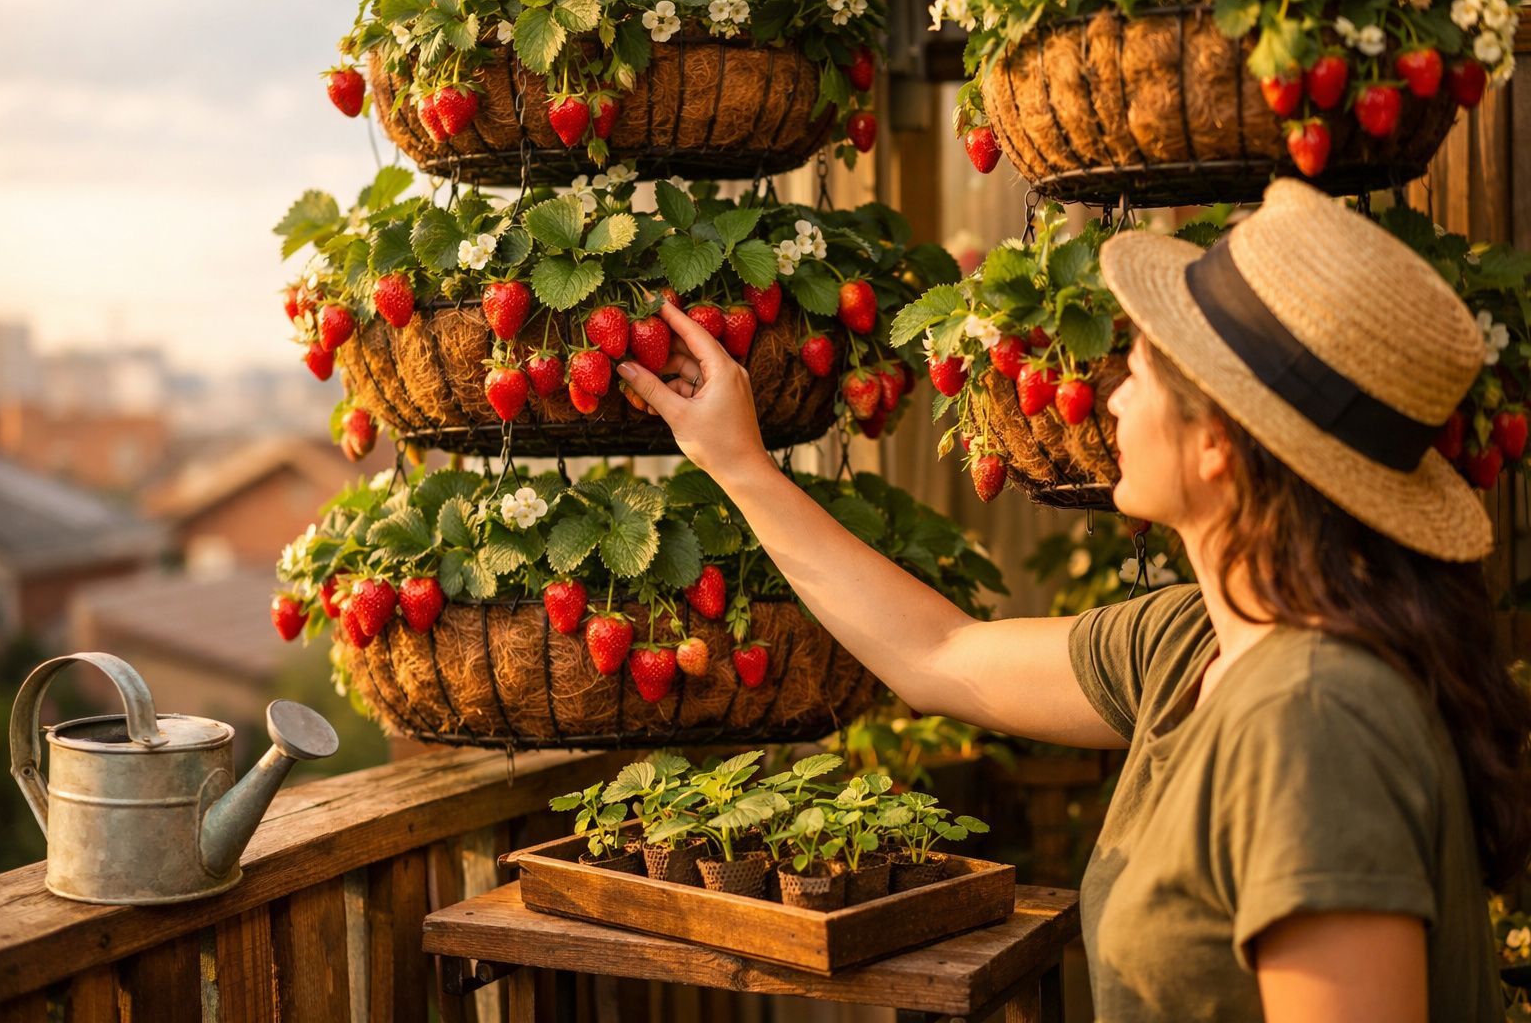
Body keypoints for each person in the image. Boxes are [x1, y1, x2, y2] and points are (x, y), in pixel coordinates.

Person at [615, 179, 1531, 1022]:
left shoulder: (1314, 724)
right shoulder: (1197, 641)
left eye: (1138, 370)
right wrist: (737, 463)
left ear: (1217, 442)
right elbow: (941, 657)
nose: (1110, 395)